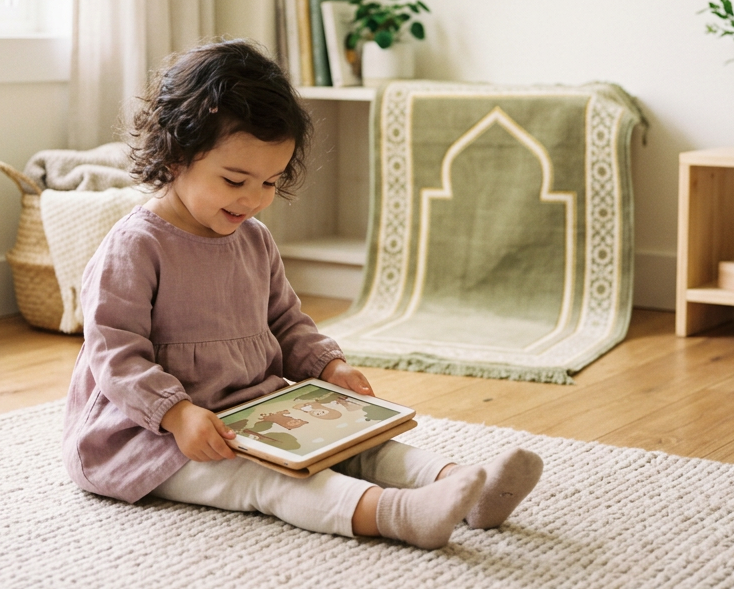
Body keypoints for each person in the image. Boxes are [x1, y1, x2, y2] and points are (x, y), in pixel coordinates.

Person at [62, 39, 543, 549]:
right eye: (234, 180)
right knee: (271, 480)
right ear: (178, 154)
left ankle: (466, 486)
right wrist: (176, 414)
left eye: (269, 182)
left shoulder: (253, 239)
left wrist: (327, 368)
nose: (253, 199)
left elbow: (287, 323)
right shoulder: (136, 245)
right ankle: (399, 515)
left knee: (361, 445)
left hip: (251, 412)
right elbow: (114, 354)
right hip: (153, 437)